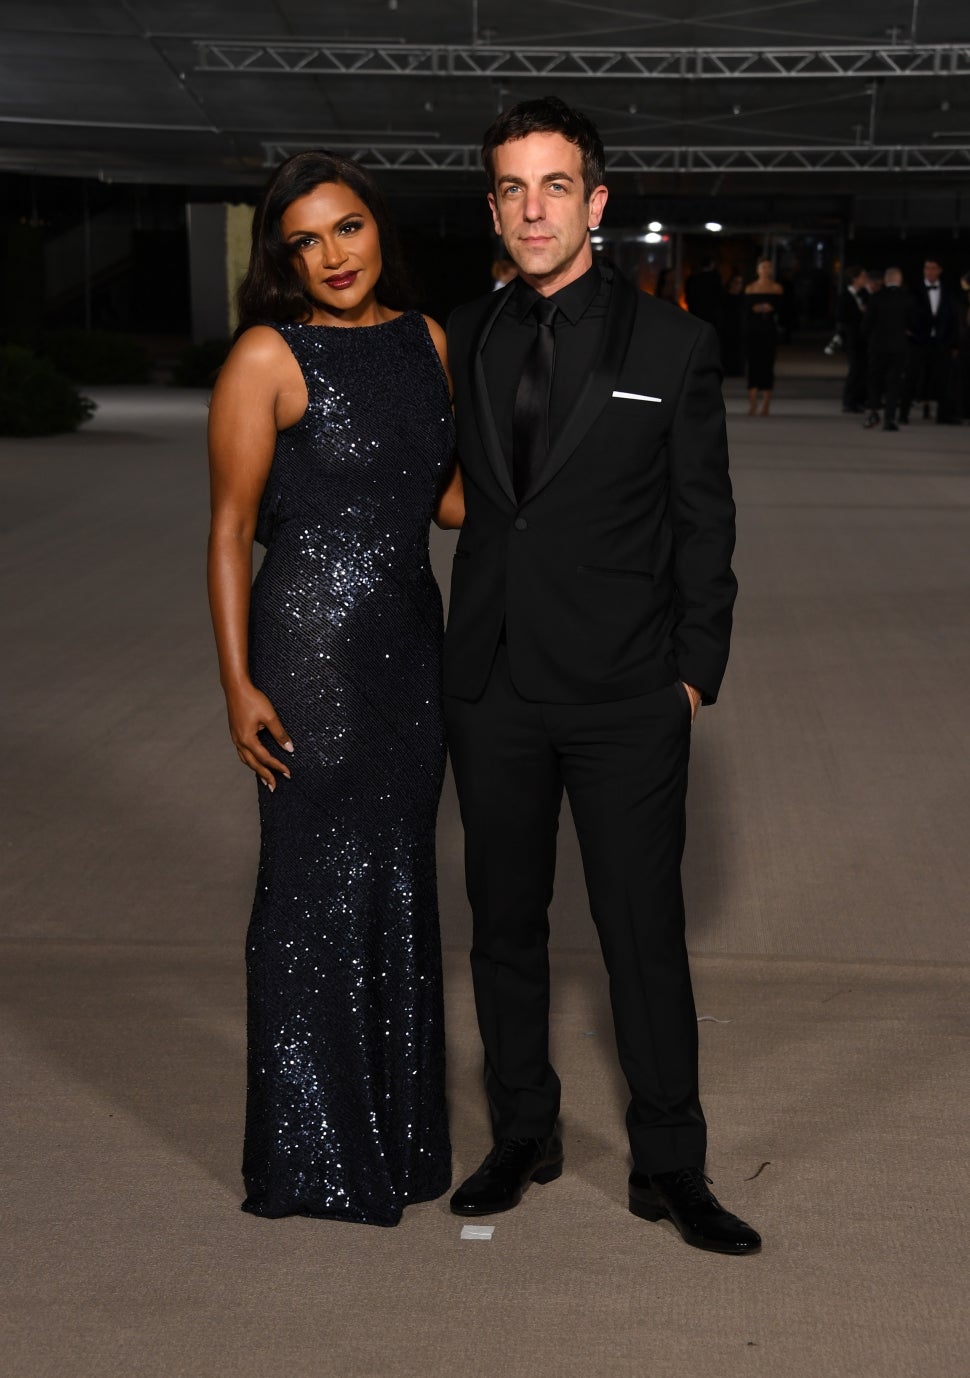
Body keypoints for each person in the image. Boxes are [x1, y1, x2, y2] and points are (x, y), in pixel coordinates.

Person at [442, 96, 759, 1256]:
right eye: (512, 189)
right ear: (493, 209)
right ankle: (522, 1131)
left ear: (596, 201)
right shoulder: (463, 334)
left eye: (556, 186)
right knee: (503, 926)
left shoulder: (671, 346)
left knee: (641, 933)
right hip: (492, 685)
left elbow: (704, 522)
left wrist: (691, 678)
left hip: (627, 692)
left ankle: (670, 1163)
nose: (534, 209)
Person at [206, 151, 463, 1226]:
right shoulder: (267, 354)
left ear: (377, 228)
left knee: (398, 875)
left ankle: (397, 1143)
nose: (333, 256)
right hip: (307, 653)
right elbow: (230, 530)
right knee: (311, 890)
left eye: (347, 228)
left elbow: (447, 502)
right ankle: (312, 1156)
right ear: (284, 260)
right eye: (305, 242)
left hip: (409, 646)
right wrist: (237, 683)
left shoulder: (427, 340)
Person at [900, 258, 961, 424]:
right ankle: (903, 414)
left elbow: (954, 318)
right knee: (911, 377)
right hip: (917, 340)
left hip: (941, 342)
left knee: (943, 379)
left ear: (940, 270)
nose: (930, 272)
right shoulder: (914, 291)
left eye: (933, 268)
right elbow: (905, 312)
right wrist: (907, 331)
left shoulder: (948, 291)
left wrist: (955, 343)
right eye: (927, 268)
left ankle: (944, 416)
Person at [861, 267, 912, 432]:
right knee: (894, 383)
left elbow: (866, 325)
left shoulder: (876, 298)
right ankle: (889, 418)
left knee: (874, 380)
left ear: (885, 280)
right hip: (899, 347)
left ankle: (874, 411)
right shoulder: (907, 299)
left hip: (878, 346)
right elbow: (913, 323)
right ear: (900, 280)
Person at [744, 259, 784, 415]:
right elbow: (745, 311)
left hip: (769, 330)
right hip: (753, 331)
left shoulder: (776, 288)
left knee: (768, 365)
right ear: (757, 269)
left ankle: (766, 404)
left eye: (769, 267)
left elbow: (783, 309)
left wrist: (771, 308)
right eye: (763, 267)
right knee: (753, 365)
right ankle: (753, 403)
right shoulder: (750, 288)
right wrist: (754, 308)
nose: (766, 270)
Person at [836, 266, 870, 413]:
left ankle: (860, 399)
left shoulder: (864, 294)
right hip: (852, 338)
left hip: (864, 338)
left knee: (863, 369)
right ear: (854, 279)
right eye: (863, 277)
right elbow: (841, 316)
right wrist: (859, 312)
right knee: (855, 369)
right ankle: (849, 401)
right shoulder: (844, 296)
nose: (865, 279)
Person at [685, 257, 726, 342]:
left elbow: (689, 297)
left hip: (698, 315)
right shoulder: (716, 279)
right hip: (713, 316)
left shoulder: (693, 279)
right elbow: (721, 297)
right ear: (711, 265)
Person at [721, 272, 746, 376]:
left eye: (740, 283)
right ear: (730, 283)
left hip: (740, 327)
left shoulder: (743, 297)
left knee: (739, 349)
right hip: (727, 327)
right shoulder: (724, 297)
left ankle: (738, 370)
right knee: (728, 348)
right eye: (736, 282)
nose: (738, 285)